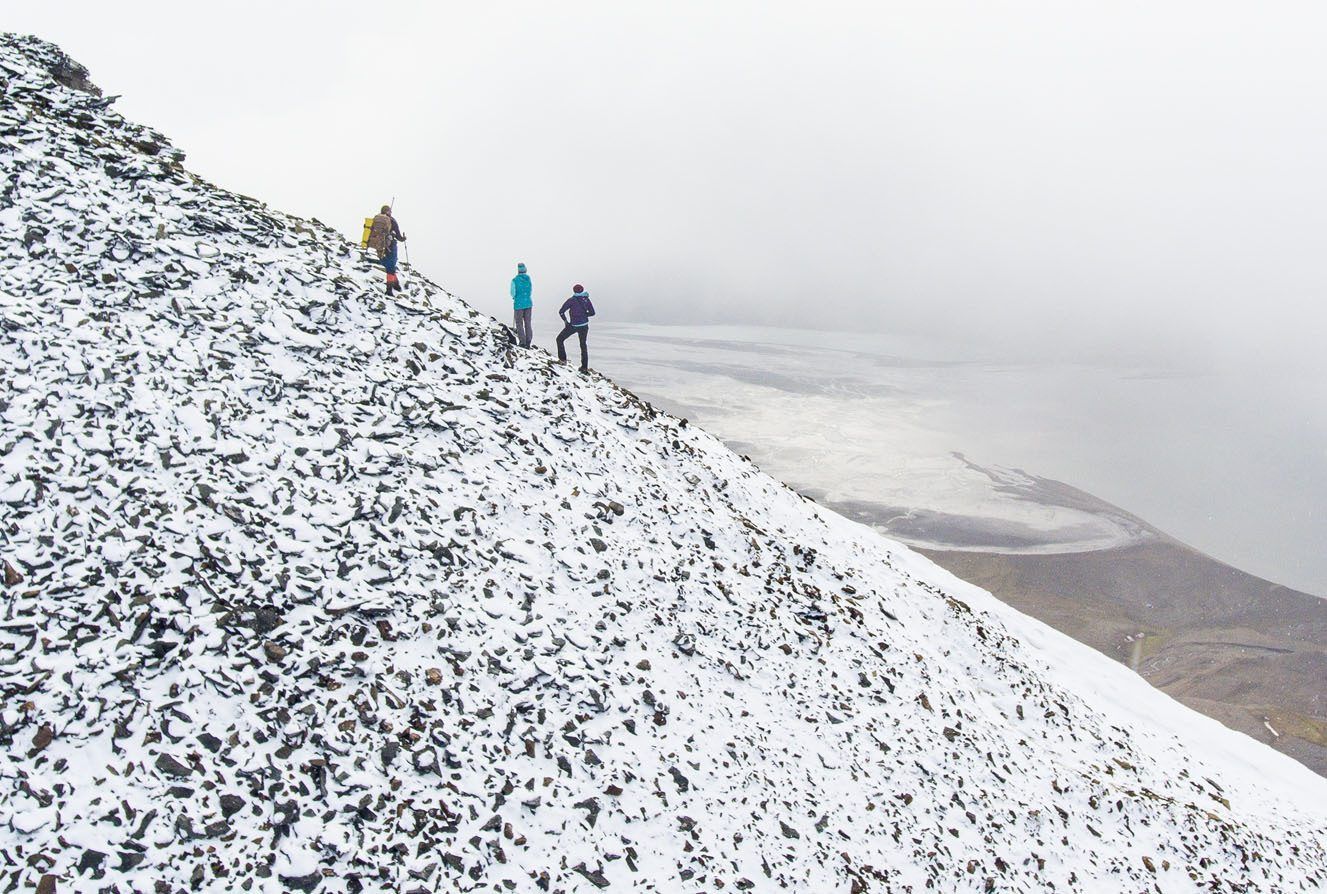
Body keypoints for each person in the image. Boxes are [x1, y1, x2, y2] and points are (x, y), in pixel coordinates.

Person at [556, 284, 595, 372]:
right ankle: (584, 367)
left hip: (573, 326)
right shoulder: (586, 299)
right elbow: (592, 313)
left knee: (559, 339)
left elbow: (561, 312)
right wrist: (585, 315)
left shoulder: (571, 300)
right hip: (584, 326)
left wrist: (566, 322)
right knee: (583, 345)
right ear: (582, 290)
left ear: (574, 291)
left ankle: (563, 360)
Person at [368, 205, 406, 295]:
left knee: (388, 265)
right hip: (390, 246)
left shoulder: (376, 219)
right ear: (388, 211)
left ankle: (396, 284)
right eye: (390, 211)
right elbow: (398, 236)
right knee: (391, 266)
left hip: (379, 246)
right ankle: (389, 290)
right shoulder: (392, 220)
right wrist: (403, 238)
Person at [510, 262, 533, 347]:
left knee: (519, 323)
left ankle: (522, 342)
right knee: (528, 322)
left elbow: (512, 292)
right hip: (528, 303)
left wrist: (514, 297)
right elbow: (530, 290)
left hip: (519, 304)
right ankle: (528, 341)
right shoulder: (528, 279)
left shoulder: (515, 280)